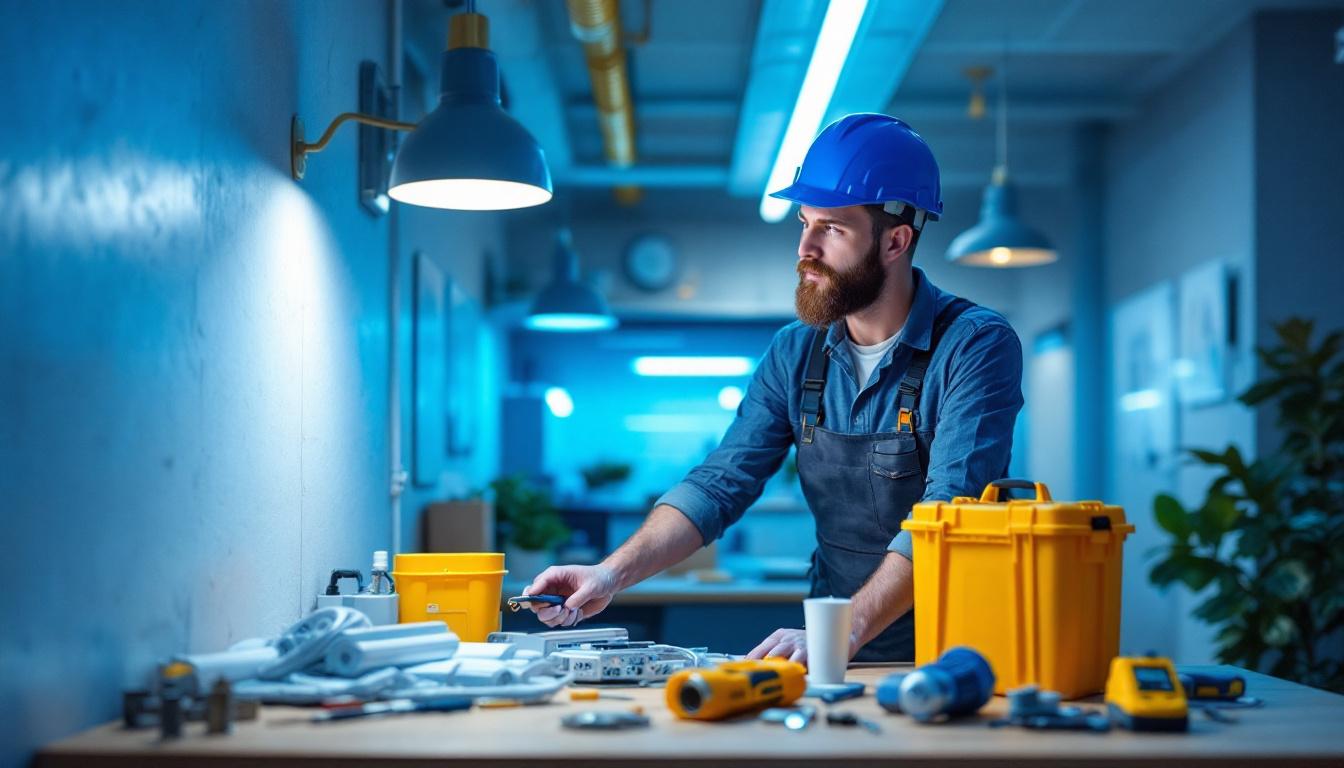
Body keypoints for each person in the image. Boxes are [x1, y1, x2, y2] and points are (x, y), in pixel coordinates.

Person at [522, 113, 1023, 662]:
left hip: (955, 644)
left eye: (831, 228)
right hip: (835, 641)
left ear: (895, 241)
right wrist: (609, 573)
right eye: (803, 223)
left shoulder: (975, 345)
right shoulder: (795, 351)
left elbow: (948, 511)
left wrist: (844, 631)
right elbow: (719, 484)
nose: (805, 247)